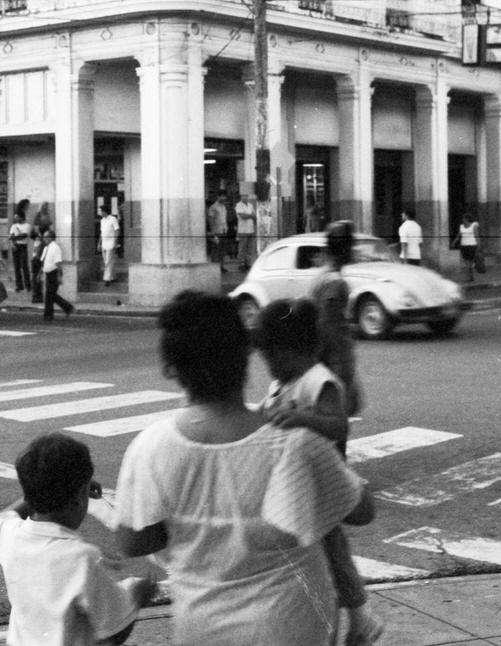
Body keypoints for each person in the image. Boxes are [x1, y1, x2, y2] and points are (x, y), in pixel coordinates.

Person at [114, 291, 375, 646]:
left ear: (172, 369)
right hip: (295, 623)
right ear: (245, 355)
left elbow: (133, 541)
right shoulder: (295, 441)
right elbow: (361, 510)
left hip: (203, 627)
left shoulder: (149, 449)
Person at [254, 298, 384, 646]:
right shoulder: (281, 383)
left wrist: (301, 419)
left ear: (294, 349)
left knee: (334, 553)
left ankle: (361, 619)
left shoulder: (318, 380)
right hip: (296, 483)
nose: (269, 367)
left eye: (272, 358)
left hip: (324, 485)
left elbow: (339, 425)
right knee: (319, 558)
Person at [0, 433, 156, 646]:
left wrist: (35, 493)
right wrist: (137, 597)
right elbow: (114, 631)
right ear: (78, 500)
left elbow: (6, 514)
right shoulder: (81, 558)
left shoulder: (10, 534)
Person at [311, 221, 365, 417]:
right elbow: (329, 328)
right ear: (345, 249)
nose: (354, 250)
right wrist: (339, 370)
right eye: (352, 245)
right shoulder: (334, 282)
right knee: (336, 423)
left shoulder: (325, 276)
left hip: (329, 362)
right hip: (334, 364)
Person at [39, 229, 75, 321]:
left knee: (50, 295)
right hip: (47, 273)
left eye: (46, 237)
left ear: (51, 238)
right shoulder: (46, 248)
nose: (44, 239)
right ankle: (67, 308)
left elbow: (58, 263)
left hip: (54, 273)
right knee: (50, 295)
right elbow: (43, 261)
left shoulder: (55, 248)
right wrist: (40, 272)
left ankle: (49, 315)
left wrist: (59, 276)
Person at [451, 212, 481, 281]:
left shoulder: (474, 225)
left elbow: (476, 236)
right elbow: (459, 235)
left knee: (469, 261)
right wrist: (454, 242)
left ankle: (469, 275)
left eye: (464, 219)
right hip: (464, 246)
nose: (463, 220)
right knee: (466, 261)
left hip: (472, 245)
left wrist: (479, 245)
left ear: (467, 219)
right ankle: (470, 274)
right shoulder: (461, 226)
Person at [9, 210, 33, 293]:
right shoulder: (13, 226)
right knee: (17, 267)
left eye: (17, 216)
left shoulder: (27, 226)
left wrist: (15, 237)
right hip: (15, 246)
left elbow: (24, 236)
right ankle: (19, 286)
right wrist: (14, 242)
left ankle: (28, 285)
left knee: (24, 266)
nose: (15, 218)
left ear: (21, 217)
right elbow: (11, 237)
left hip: (23, 247)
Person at [98, 207, 121, 286]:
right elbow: (102, 233)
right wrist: (99, 243)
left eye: (100, 211)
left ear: (105, 211)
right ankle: (113, 276)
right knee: (106, 261)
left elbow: (117, 230)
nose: (99, 212)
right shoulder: (102, 221)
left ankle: (107, 279)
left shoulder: (113, 219)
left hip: (111, 242)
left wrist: (115, 241)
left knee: (108, 261)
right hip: (104, 242)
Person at [206, 193, 228, 269]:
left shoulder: (223, 207)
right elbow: (210, 219)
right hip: (216, 231)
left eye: (224, 197)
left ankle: (221, 266)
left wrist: (226, 227)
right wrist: (213, 231)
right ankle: (214, 266)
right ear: (218, 197)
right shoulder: (213, 207)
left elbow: (224, 219)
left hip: (223, 230)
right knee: (216, 249)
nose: (224, 198)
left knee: (223, 249)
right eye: (222, 196)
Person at [235, 193, 256, 270]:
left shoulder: (250, 205)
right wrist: (251, 216)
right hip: (243, 230)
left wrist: (250, 216)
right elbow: (242, 216)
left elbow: (255, 216)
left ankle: (248, 263)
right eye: (243, 196)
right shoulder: (238, 205)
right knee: (242, 247)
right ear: (240, 197)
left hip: (251, 229)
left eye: (246, 195)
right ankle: (241, 263)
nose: (245, 197)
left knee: (249, 247)